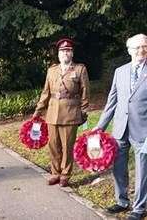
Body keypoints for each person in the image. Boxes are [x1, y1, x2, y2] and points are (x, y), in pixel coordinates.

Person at [96, 34, 147, 220]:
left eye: (144, 46)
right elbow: (112, 102)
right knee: (118, 167)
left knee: (143, 169)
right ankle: (122, 201)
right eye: (137, 47)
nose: (141, 50)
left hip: (143, 130)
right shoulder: (120, 71)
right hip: (120, 128)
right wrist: (99, 127)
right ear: (129, 50)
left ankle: (139, 208)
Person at [33, 38, 90, 187]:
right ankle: (55, 172)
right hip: (52, 112)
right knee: (53, 145)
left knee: (67, 146)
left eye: (68, 50)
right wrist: (38, 110)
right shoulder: (52, 70)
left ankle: (65, 174)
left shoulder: (80, 69)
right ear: (58, 54)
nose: (66, 53)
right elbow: (45, 92)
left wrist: (84, 110)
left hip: (70, 113)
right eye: (63, 51)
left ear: (72, 53)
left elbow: (85, 92)